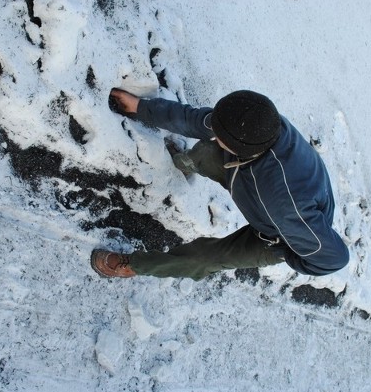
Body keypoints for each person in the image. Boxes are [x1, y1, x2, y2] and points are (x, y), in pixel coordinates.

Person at [90, 88, 349, 281]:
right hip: (263, 187)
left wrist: (287, 253)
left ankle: (135, 265)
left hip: (280, 234)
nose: (213, 128)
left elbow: (333, 259)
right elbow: (198, 121)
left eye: (220, 132)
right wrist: (140, 107)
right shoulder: (258, 121)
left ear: (240, 149)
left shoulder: (286, 207)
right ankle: (186, 163)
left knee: (203, 259)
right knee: (207, 150)